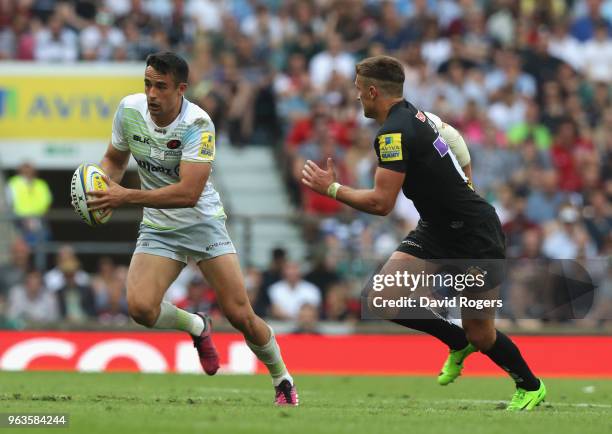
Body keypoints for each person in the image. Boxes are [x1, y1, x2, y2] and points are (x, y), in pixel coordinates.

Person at [301, 55, 545, 411]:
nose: (357, 99)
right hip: (436, 229)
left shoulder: (392, 133)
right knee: (381, 299)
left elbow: (382, 203)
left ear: (372, 91)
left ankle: (531, 385)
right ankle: (455, 340)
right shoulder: (418, 115)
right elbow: (455, 138)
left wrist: (333, 189)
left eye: (358, 91)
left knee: (482, 334)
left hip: (475, 235)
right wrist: (466, 180)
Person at [86, 51, 297, 406]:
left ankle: (282, 378)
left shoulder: (198, 124)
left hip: (203, 223)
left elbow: (188, 193)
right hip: (158, 225)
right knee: (140, 308)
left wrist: (125, 197)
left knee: (240, 314)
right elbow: (115, 158)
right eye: (148, 84)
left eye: (162, 87)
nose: (152, 94)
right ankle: (197, 326)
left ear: (181, 89)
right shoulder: (129, 110)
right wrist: (102, 185)